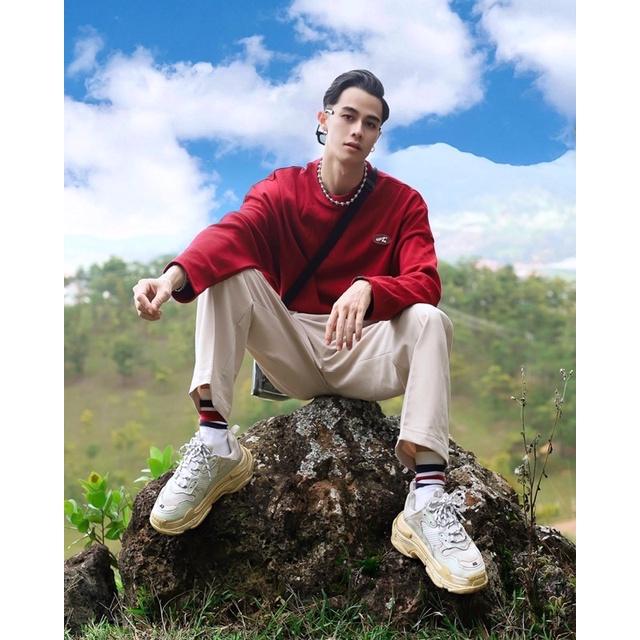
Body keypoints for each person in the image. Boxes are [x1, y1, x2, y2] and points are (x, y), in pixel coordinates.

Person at [132, 69, 487, 594]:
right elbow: (231, 234)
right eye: (348, 116)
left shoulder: (403, 202)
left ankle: (427, 498)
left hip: (364, 352)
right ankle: (216, 441)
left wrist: (370, 288)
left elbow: (425, 281)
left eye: (370, 123)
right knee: (230, 273)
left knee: (430, 320)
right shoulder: (283, 189)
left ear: (377, 136)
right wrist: (171, 278)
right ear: (324, 119)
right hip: (293, 348)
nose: (357, 130)